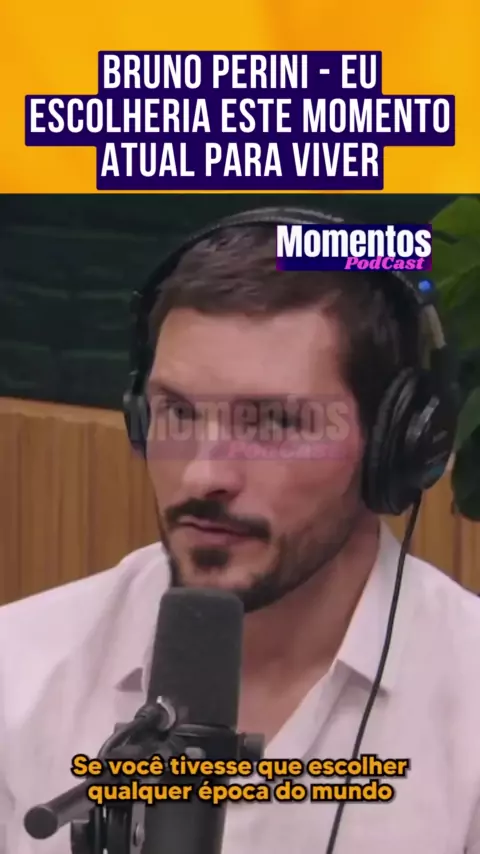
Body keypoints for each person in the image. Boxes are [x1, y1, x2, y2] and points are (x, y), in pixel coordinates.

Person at [1, 212, 480, 854]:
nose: (203, 474)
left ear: (393, 445)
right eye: (177, 411)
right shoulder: (18, 671)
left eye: (275, 422)